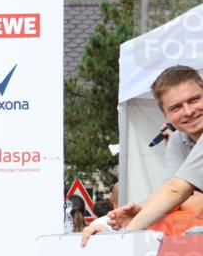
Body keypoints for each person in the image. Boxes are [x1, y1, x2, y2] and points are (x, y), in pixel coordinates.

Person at [84, 65, 203, 244]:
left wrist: (123, 236)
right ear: (166, 116)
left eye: (194, 100)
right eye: (176, 107)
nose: (188, 111)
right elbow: (168, 193)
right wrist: (135, 212)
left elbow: (176, 191)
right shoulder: (179, 139)